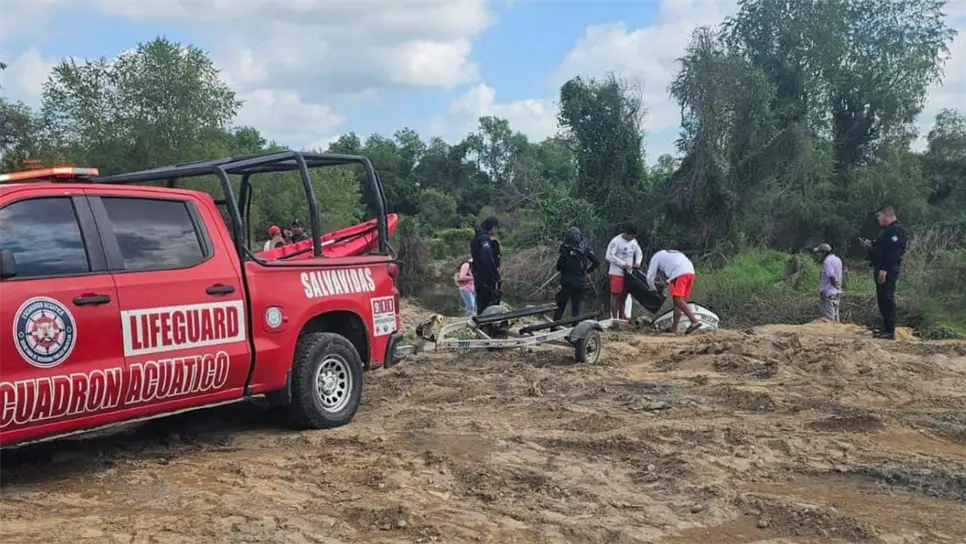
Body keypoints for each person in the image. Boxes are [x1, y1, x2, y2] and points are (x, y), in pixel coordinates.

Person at [860, 205, 907, 340]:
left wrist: (884, 269)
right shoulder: (885, 231)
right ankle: (884, 328)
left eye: (880, 216)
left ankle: (889, 330)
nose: (879, 219)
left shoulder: (896, 231)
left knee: (887, 297)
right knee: (881, 298)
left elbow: (893, 253)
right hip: (880, 267)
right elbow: (881, 250)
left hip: (887, 270)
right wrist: (871, 246)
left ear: (887, 215)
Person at [645, 249, 701, 334]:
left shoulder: (655, 258)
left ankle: (694, 321)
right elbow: (667, 276)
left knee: (677, 299)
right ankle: (674, 328)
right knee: (678, 302)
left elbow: (650, 277)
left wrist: (652, 288)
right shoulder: (670, 255)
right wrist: (666, 282)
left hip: (679, 273)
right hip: (690, 272)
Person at [552, 227, 601, 322]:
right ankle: (575, 329)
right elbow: (596, 262)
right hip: (580, 282)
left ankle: (553, 328)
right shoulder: (585, 248)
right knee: (576, 308)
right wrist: (587, 270)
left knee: (560, 306)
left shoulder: (565, 248)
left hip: (566, 281)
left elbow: (558, 267)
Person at [604, 224, 643, 321]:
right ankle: (614, 318)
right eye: (631, 236)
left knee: (624, 296)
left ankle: (622, 318)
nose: (632, 238)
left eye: (634, 236)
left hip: (628, 274)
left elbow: (639, 252)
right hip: (617, 273)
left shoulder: (634, 241)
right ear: (626, 233)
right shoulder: (616, 241)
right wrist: (622, 264)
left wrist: (637, 262)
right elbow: (609, 256)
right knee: (615, 296)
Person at [470, 217, 502, 314]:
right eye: (497, 228)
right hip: (486, 278)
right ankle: (487, 326)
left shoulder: (476, 238)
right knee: (489, 303)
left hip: (478, 276)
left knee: (481, 303)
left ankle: (482, 324)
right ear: (492, 227)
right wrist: (496, 275)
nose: (497, 231)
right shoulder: (484, 239)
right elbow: (487, 258)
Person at [814, 243, 843, 322]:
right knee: (836, 320)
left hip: (828, 294)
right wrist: (838, 287)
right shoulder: (837, 259)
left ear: (824, 253)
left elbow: (831, 276)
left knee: (828, 320)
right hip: (837, 294)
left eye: (819, 253)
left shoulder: (827, 261)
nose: (818, 255)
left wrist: (835, 285)